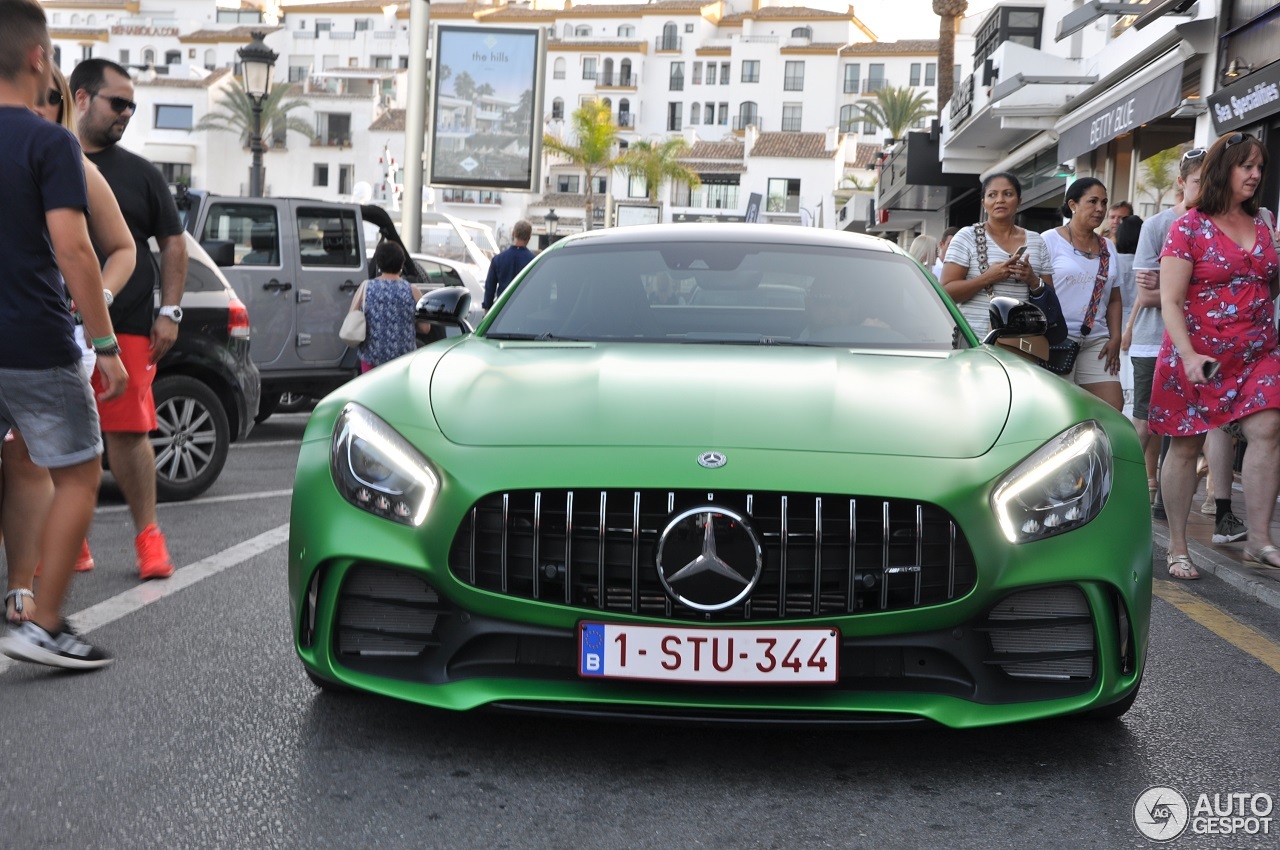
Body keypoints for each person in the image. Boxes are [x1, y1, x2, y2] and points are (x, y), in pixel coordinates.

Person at [0, 0, 127, 668]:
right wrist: (105, 347)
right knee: (79, 470)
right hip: (33, 341)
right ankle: (42, 624)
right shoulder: (50, 143)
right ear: (37, 58)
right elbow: (77, 252)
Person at [70, 58, 188, 580]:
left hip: (130, 325)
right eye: (118, 103)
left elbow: (173, 243)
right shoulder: (47, 157)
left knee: (127, 432)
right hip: (49, 322)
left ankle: (149, 538)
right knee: (47, 435)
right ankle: (71, 539)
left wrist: (170, 311)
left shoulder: (141, 174)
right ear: (80, 98)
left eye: (132, 106)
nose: (126, 114)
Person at [1150, 132, 1280, 579]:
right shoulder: (1188, 226)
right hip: (1198, 351)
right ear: (1224, 170)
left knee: (1269, 425)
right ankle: (1179, 546)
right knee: (1186, 445)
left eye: (1259, 166)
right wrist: (1187, 355)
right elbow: (1170, 299)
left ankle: (1260, 540)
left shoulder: (1263, 223)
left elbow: (1266, 285)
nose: (1256, 174)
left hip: (1256, 349)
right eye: (1247, 166)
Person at [1125, 149, 1211, 512]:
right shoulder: (1157, 225)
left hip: (1202, 342)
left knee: (1188, 428)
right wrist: (1205, 292)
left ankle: (1166, 499)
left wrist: (1172, 289)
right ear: (1181, 183)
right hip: (1153, 341)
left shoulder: (1223, 224)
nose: (1205, 189)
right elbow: (1146, 295)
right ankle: (1120, 491)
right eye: (1197, 183)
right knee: (1146, 424)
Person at [1040, 178, 1124, 410]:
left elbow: (1115, 298)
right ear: (1073, 204)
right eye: (1093, 201)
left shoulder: (1109, 246)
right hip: (1056, 340)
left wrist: (1115, 337)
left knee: (1112, 408)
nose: (1100, 208)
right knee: (1060, 410)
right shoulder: (1049, 240)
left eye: (1104, 202)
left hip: (1097, 341)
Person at [940, 172, 1053, 338]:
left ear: (1019, 201)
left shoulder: (1036, 241)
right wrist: (987, 278)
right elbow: (946, 292)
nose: (1000, 200)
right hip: (974, 341)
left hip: (1022, 341)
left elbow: (1050, 297)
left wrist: (1032, 280)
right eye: (992, 195)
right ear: (984, 203)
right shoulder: (967, 236)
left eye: (1008, 194)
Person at [352, 241, 423, 372]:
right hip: (403, 360)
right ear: (401, 264)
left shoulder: (365, 287)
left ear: (379, 264)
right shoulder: (413, 291)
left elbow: (352, 318)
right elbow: (425, 328)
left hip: (371, 357)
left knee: (371, 392)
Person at [482, 219, 535, 310]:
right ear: (529, 237)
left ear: (513, 234)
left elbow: (489, 288)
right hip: (526, 310)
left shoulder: (498, 259)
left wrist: (487, 309)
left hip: (502, 311)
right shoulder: (534, 261)